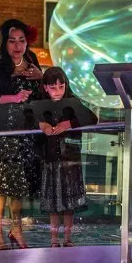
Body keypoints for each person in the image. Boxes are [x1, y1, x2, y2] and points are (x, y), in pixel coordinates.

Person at [0, 18, 44, 250]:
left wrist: (40, 77)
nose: (18, 46)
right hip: (1, 131)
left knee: (20, 185)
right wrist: (14, 98)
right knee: (1, 185)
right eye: (12, 41)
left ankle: (16, 229)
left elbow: (42, 94)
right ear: (3, 41)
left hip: (25, 132)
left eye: (22, 41)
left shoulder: (32, 61)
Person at [36, 67, 95, 247]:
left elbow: (92, 118)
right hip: (50, 159)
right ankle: (54, 239)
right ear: (45, 87)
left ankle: (68, 238)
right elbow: (26, 119)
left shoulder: (72, 102)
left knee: (69, 203)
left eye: (61, 87)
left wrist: (70, 123)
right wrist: (41, 124)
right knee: (53, 203)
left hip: (70, 158)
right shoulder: (39, 105)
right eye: (53, 88)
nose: (58, 92)